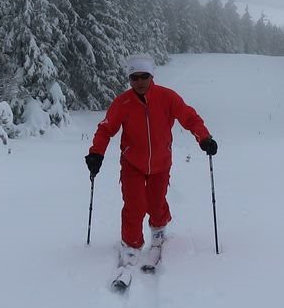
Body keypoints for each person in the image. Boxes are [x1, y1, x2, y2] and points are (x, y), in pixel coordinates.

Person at [86, 55, 217, 269]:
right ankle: (131, 245)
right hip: (132, 164)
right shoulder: (123, 102)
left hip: (160, 163)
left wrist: (204, 138)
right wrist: (96, 153)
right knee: (134, 205)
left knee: (156, 203)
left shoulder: (167, 97)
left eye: (143, 76)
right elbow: (106, 129)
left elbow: (189, 117)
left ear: (151, 76)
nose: (139, 82)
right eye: (134, 77)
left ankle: (158, 234)